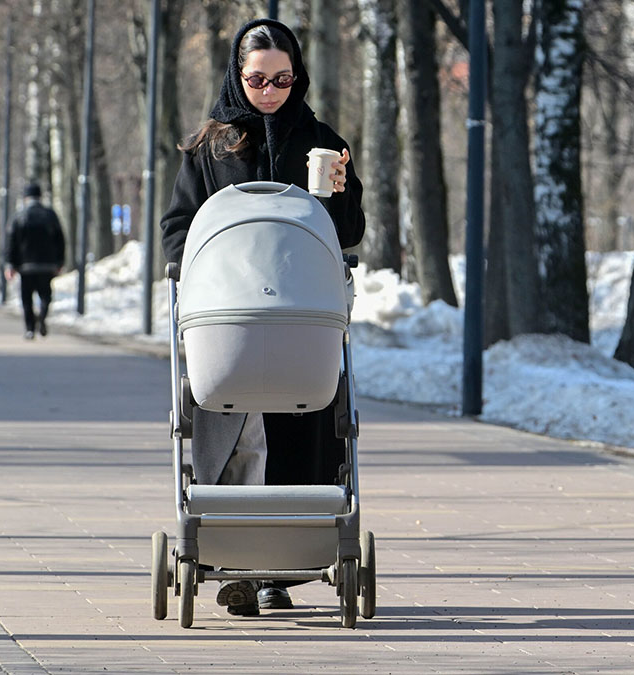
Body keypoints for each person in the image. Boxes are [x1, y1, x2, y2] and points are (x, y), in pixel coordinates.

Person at [160, 18, 365, 616]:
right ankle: (233, 559)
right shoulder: (210, 147)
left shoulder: (320, 138)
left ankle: (286, 568)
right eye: (257, 79)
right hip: (233, 316)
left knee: (304, 432)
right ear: (236, 75)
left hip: (300, 312)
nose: (270, 91)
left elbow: (348, 232)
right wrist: (193, 271)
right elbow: (178, 228)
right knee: (238, 431)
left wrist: (341, 191)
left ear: (297, 76)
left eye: (282, 79)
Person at [4, 182, 65, 340]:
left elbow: (12, 242)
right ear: (40, 196)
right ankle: (42, 317)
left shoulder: (19, 216)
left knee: (26, 297)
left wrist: (10, 264)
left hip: (26, 265)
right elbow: (60, 239)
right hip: (47, 264)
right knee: (45, 295)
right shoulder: (50, 215)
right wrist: (59, 261)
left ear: (25, 198)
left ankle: (30, 328)